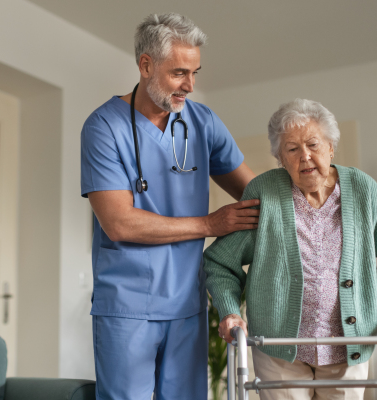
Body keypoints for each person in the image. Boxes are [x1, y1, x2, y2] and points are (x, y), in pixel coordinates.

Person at [80, 13, 259, 400]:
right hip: (127, 307)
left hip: (188, 304)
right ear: (146, 65)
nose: (190, 85)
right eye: (179, 73)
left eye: (195, 72)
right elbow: (119, 223)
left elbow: (255, 193)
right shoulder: (104, 127)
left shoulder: (202, 122)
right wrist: (211, 224)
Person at [204, 99, 377, 400]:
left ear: (331, 147)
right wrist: (230, 311)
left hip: (348, 350)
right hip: (278, 351)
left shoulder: (363, 191)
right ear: (280, 158)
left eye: (313, 144)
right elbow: (220, 262)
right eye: (292, 149)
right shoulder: (264, 193)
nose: (305, 156)